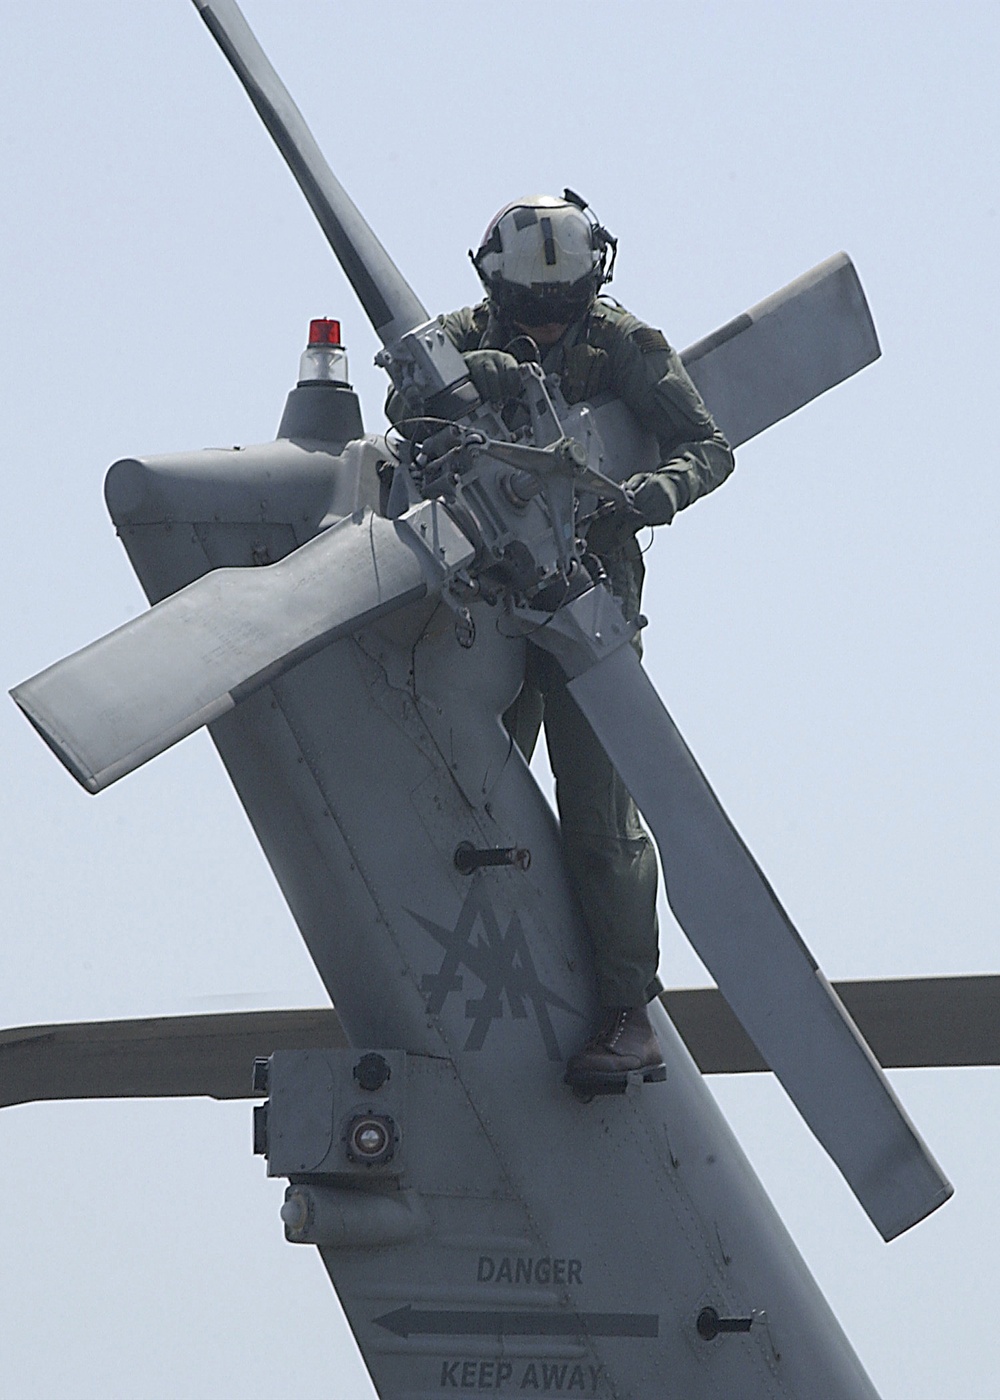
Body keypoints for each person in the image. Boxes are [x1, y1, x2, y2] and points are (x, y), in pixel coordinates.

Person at [397, 192, 735, 1089]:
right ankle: (480, 986)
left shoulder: (623, 344)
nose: (547, 325)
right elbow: (407, 418)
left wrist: (657, 490)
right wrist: (480, 382)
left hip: (591, 605)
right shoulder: (458, 340)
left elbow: (706, 444)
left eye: (562, 307)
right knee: (474, 793)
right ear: (497, 291)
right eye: (530, 310)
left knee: (598, 815)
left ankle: (627, 1012)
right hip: (485, 600)